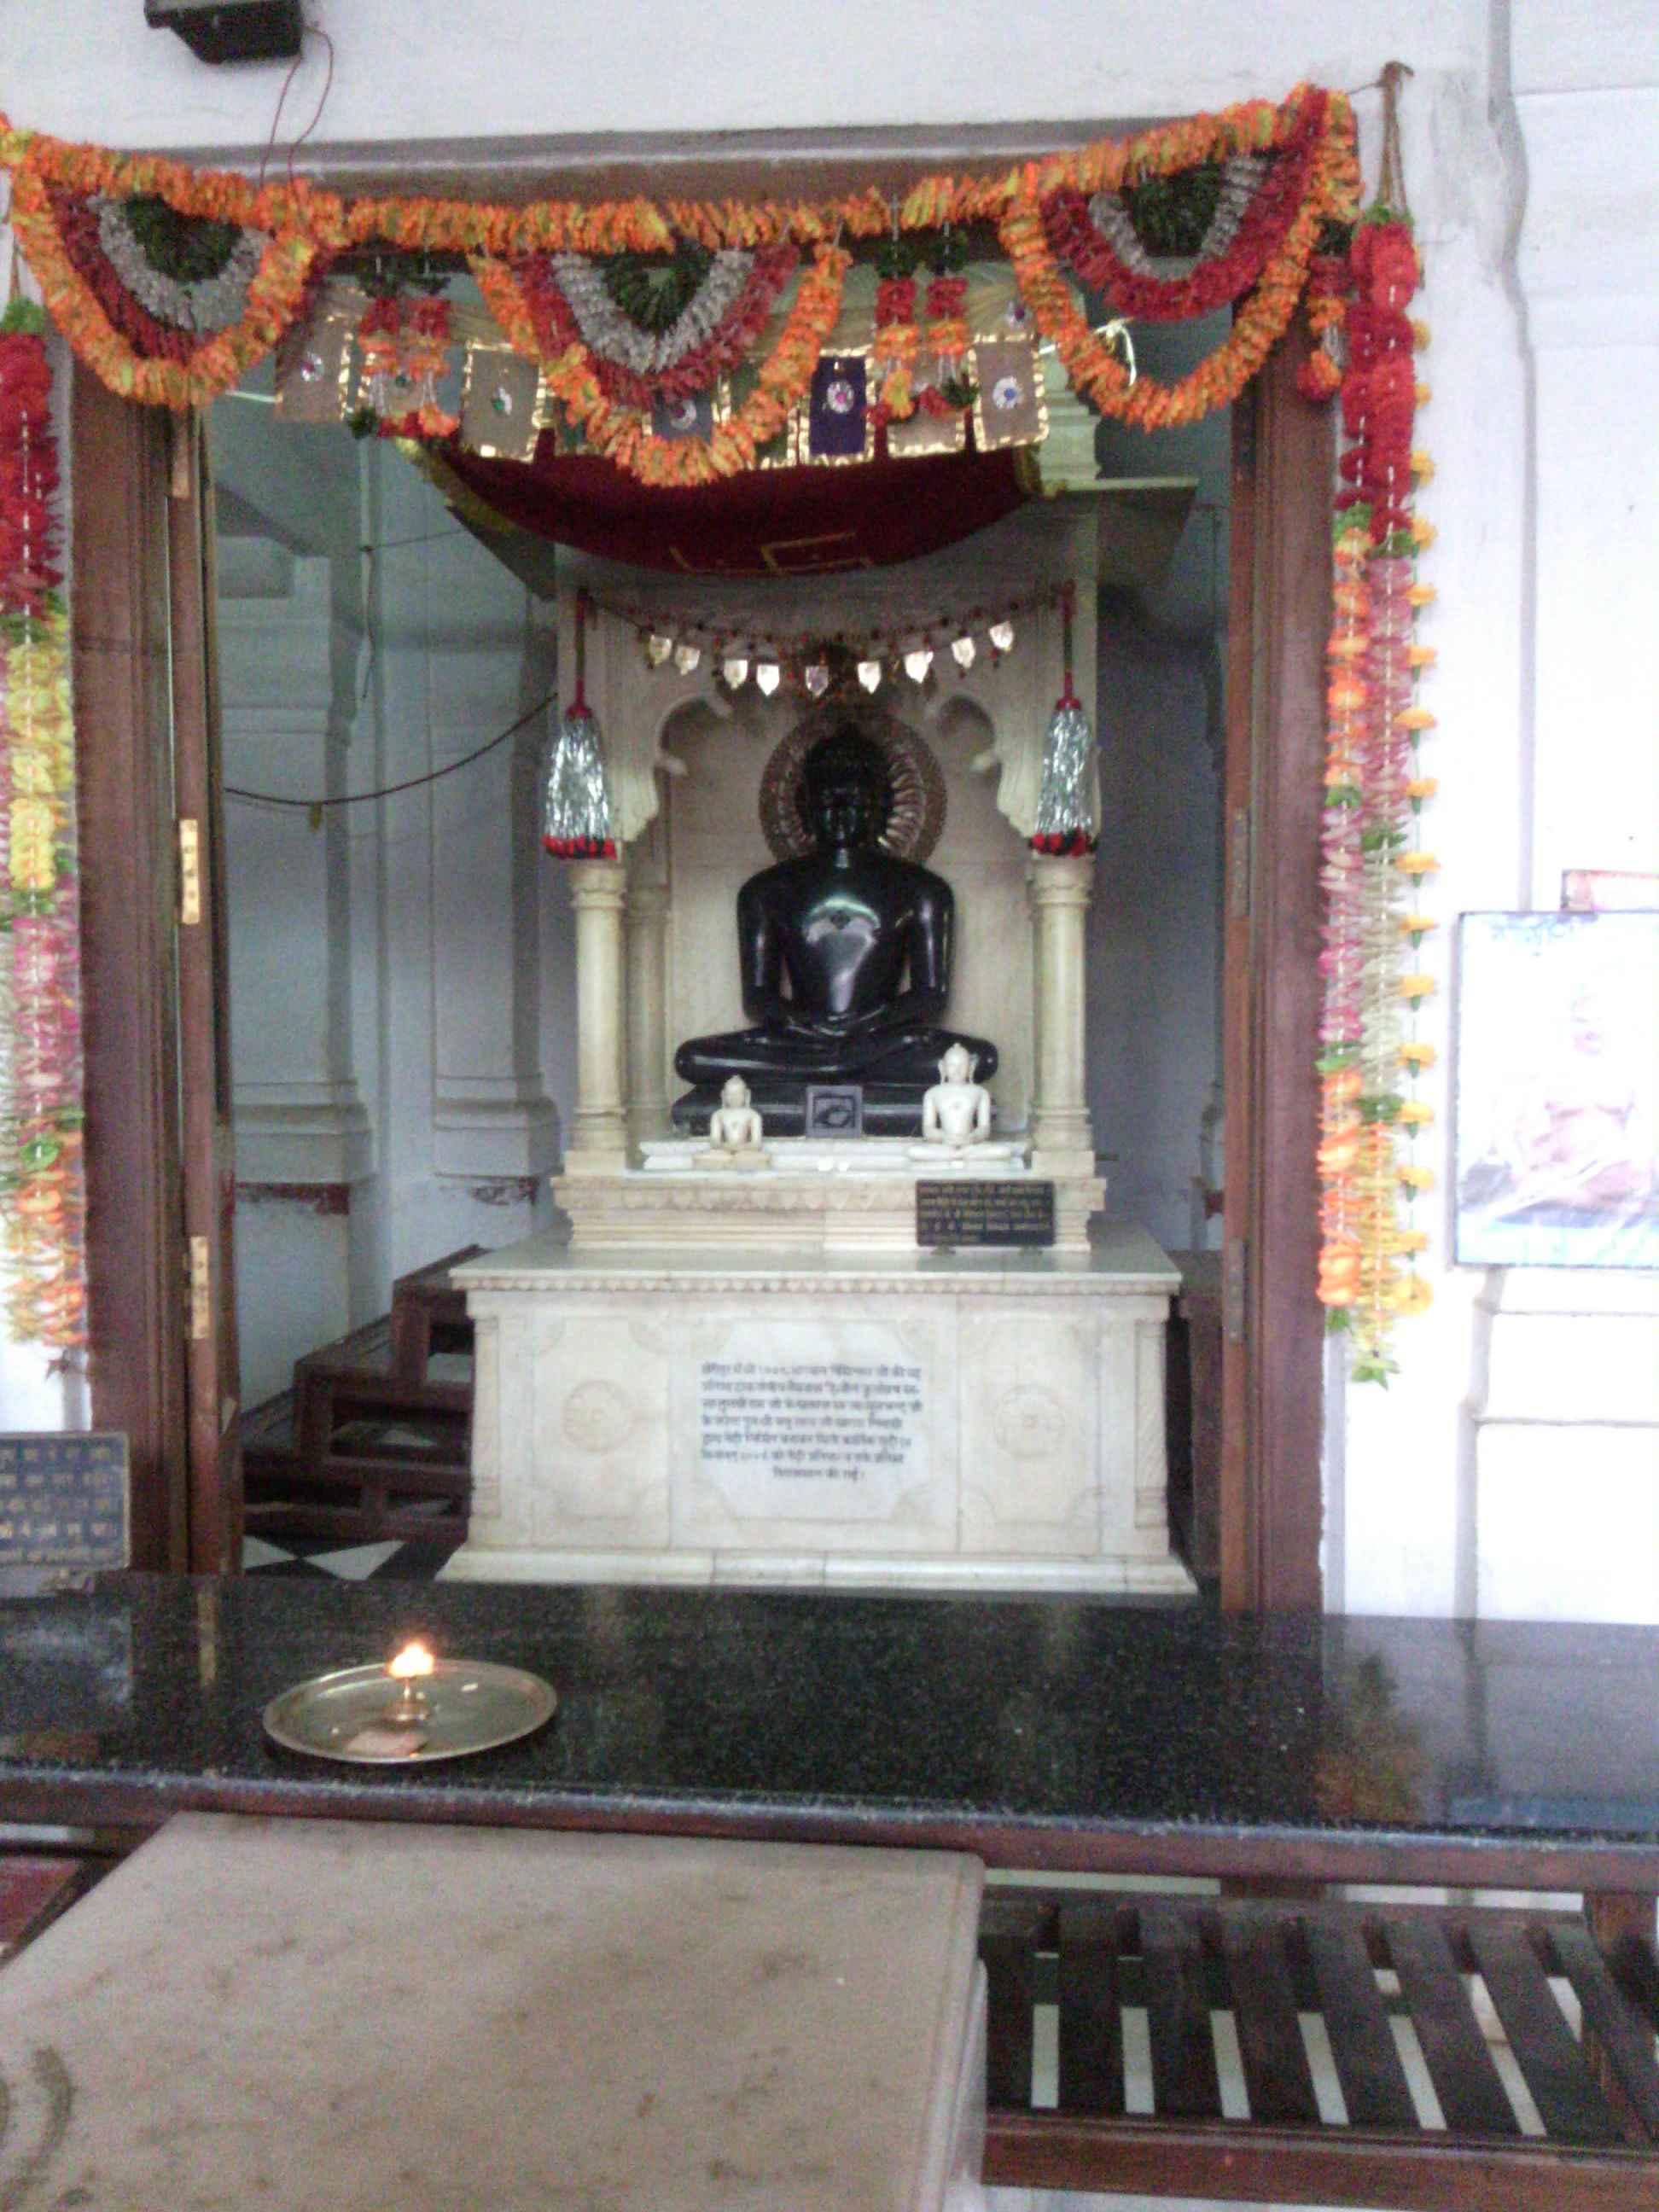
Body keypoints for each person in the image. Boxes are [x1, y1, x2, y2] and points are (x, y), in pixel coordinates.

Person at [672, 728, 997, 1133]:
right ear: (804, 809)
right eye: (828, 802)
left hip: (882, 1041)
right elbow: (758, 997)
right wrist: (810, 1025)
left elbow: (931, 995)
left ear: (884, 807)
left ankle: (829, 1069)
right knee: (692, 1059)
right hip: (801, 1041)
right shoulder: (765, 891)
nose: (842, 813)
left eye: (857, 802)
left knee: (980, 1058)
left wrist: (867, 1023)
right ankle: (835, 1067)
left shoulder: (923, 890)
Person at [921, 1042, 992, 1147]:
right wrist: (945, 1137)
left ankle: (957, 1157)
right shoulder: (932, 1094)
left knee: (1001, 1152)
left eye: (962, 1065)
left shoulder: (981, 1093)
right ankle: (958, 1157)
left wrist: (972, 1137)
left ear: (971, 1067)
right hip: (944, 1146)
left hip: (970, 1145)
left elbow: (985, 1128)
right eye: (952, 1065)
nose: (957, 1070)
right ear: (942, 1067)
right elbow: (928, 1129)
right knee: (916, 1152)